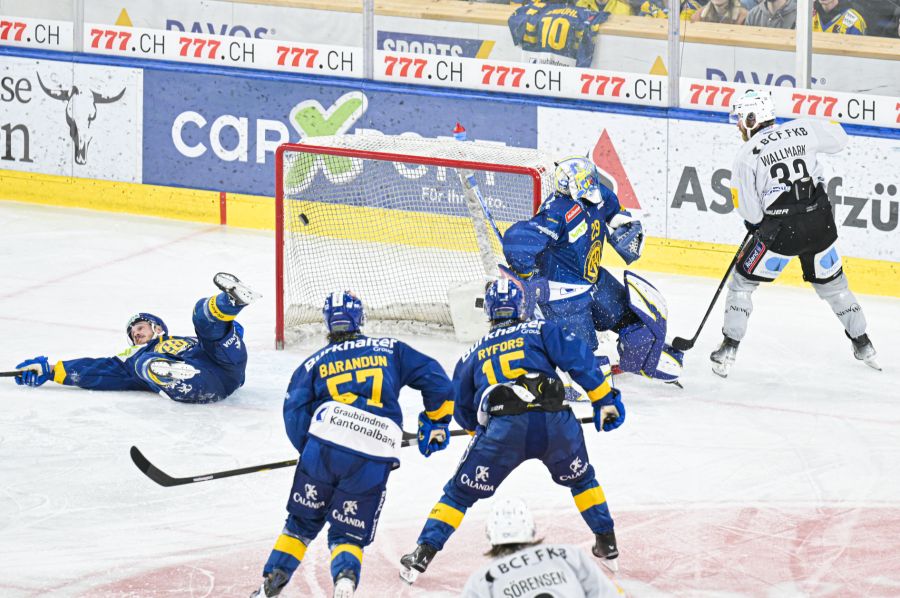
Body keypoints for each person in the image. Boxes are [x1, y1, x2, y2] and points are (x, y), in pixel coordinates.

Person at [399, 279, 626, 585]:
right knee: (583, 480)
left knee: (458, 494)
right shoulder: (541, 330)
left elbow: (462, 409)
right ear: (521, 307)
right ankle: (607, 542)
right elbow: (579, 360)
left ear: (489, 312)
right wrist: (604, 401)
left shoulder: (472, 354)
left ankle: (421, 555)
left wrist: (477, 433)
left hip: (503, 431)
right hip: (555, 424)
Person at [251, 291, 455, 598]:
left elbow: (294, 412)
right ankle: (345, 583)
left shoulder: (312, 363)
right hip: (375, 451)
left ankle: (272, 582)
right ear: (360, 318)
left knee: (301, 524)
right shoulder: (390, 349)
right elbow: (437, 380)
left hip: (324, 445)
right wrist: (436, 422)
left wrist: (310, 453)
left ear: (327, 323)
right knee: (348, 530)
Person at [712, 89, 880, 376]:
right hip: (820, 225)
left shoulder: (746, 156)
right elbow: (839, 138)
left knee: (742, 284)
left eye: (741, 119)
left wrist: (757, 227)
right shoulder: (802, 127)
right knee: (836, 288)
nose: (739, 125)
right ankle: (864, 344)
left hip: (782, 234)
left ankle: (728, 349)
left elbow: (752, 214)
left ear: (753, 118)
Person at [501, 156, 683, 385]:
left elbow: (613, 209)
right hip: (565, 298)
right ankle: (570, 374)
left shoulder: (598, 196)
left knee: (630, 319)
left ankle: (645, 357)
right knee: (582, 363)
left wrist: (623, 224)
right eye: (586, 180)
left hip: (595, 280)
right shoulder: (556, 214)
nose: (592, 183)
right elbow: (516, 242)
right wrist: (531, 276)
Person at [13, 273, 259, 403]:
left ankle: (232, 300)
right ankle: (169, 373)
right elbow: (96, 370)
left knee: (201, 314)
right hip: (200, 386)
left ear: (158, 328)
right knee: (141, 364)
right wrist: (51, 369)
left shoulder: (185, 339)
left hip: (226, 365)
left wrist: (224, 332)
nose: (136, 333)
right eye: (133, 333)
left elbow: (231, 333)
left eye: (140, 327)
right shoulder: (134, 357)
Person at [461, 498, 624, 598]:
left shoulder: (482, 580)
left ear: (490, 533)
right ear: (531, 527)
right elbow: (607, 594)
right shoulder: (568, 555)